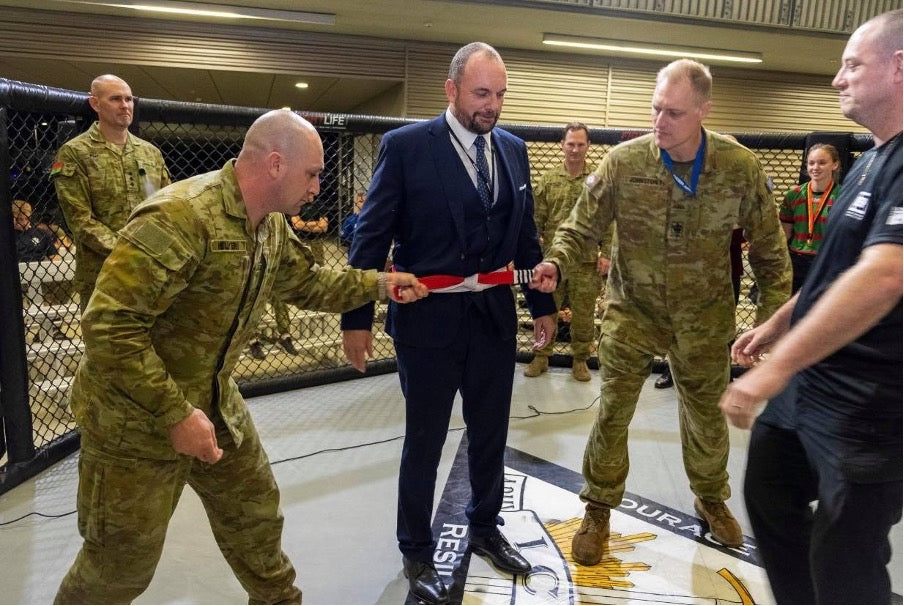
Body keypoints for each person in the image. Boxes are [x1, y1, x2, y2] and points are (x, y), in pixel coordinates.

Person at [53, 109, 428, 604]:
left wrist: (379, 284)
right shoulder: (180, 217)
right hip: (134, 418)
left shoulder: (269, 225)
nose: (318, 187)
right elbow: (109, 325)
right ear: (275, 164)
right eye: (312, 174)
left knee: (255, 517)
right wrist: (174, 413)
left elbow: (308, 282)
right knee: (119, 565)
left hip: (212, 403)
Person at [530, 58, 791, 565]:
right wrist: (555, 264)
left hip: (705, 314)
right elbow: (580, 227)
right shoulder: (624, 164)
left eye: (673, 112)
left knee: (707, 418)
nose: (660, 122)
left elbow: (770, 250)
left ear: (703, 111)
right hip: (633, 311)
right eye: (655, 109)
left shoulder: (738, 168)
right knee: (613, 411)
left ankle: (711, 497)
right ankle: (600, 506)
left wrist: (771, 319)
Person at [341, 42, 556, 605]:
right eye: (483, 93)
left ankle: (485, 526)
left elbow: (525, 235)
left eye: (501, 94)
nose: (493, 105)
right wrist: (356, 318)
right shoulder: (407, 147)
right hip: (427, 321)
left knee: (491, 433)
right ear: (452, 89)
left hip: (491, 316)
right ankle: (417, 548)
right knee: (425, 439)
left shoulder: (511, 149)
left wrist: (542, 306)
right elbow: (371, 238)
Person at [720, 10, 902, 604]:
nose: (836, 78)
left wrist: (775, 369)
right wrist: (778, 323)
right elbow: (839, 271)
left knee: (844, 554)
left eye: (852, 64)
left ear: (899, 69)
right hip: (813, 389)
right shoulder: (869, 160)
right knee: (770, 495)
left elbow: (883, 276)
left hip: (871, 407)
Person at [51, 74, 171, 313]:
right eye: (115, 99)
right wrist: (131, 253)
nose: (125, 105)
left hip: (151, 273)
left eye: (128, 99)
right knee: (104, 348)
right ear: (95, 103)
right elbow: (80, 221)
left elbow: (167, 208)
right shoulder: (75, 153)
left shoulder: (150, 153)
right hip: (103, 275)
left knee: (151, 344)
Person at [523, 122, 608, 382]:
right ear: (562, 144)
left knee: (583, 315)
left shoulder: (598, 182)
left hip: (586, 261)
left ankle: (580, 359)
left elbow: (610, 220)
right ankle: (541, 356)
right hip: (554, 262)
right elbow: (536, 219)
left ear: (588, 146)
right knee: (546, 309)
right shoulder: (549, 180)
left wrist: (607, 254)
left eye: (580, 144)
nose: (575, 149)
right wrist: (536, 253)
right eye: (570, 144)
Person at [779, 143, 841, 292]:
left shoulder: (843, 195)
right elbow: (785, 233)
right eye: (811, 163)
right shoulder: (793, 195)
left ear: (835, 164)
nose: (815, 167)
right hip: (796, 260)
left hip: (826, 261)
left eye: (822, 163)